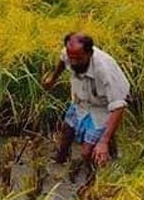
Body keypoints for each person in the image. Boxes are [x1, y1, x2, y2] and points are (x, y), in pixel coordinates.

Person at [43, 32, 130, 167]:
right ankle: (60, 160)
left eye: (78, 59)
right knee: (67, 129)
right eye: (71, 58)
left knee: (87, 152)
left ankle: (97, 169)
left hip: (103, 106)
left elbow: (119, 106)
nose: (73, 62)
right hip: (82, 99)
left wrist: (103, 142)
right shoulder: (70, 52)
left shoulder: (104, 70)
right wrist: (53, 78)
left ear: (89, 54)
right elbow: (62, 60)